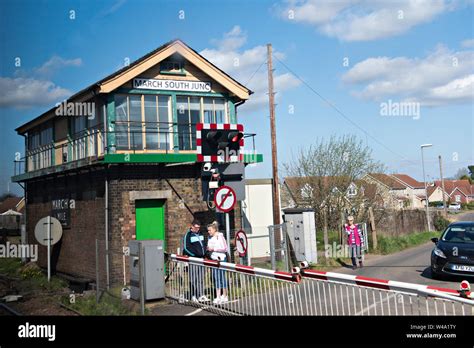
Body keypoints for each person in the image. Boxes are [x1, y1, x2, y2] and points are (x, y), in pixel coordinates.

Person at [183, 219, 209, 303]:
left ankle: (201, 295)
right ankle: (193, 295)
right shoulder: (188, 235)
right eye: (196, 227)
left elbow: (204, 245)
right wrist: (194, 255)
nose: (198, 229)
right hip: (193, 259)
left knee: (201, 278)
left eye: (199, 228)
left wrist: (204, 254)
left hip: (201, 259)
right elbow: (186, 248)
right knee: (193, 278)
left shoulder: (200, 233)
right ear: (192, 226)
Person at [206, 221, 229, 305]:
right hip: (213, 259)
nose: (209, 232)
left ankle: (225, 295)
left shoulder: (220, 236)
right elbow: (209, 246)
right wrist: (208, 248)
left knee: (222, 277)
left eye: (210, 230)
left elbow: (225, 248)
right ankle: (218, 296)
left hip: (221, 259)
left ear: (215, 229)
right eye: (208, 230)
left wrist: (214, 249)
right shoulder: (209, 237)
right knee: (216, 277)